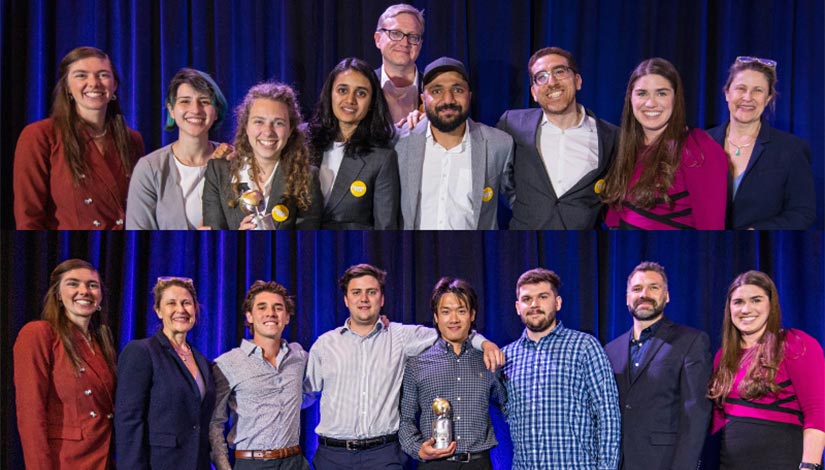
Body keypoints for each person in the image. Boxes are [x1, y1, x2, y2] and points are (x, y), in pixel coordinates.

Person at [306, 263, 504, 470]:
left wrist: (484, 343)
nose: (364, 299)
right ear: (346, 299)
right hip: (333, 456)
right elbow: (306, 394)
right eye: (356, 292)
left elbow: (452, 330)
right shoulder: (324, 344)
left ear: (381, 299)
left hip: (383, 456)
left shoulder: (401, 337)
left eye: (371, 292)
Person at [13, 46, 144, 229]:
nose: (94, 83)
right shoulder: (40, 136)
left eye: (103, 75)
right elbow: (29, 218)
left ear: (114, 85)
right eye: (81, 75)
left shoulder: (132, 140)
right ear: (67, 86)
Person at [502, 268, 620, 469]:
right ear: (517, 307)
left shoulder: (584, 346)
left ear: (557, 302)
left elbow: (607, 413)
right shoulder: (506, 357)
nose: (534, 305)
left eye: (543, 297)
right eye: (527, 299)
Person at [708, 270, 825, 470]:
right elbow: (718, 420)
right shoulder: (723, 356)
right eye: (738, 302)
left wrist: (810, 465)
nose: (746, 309)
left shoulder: (796, 344)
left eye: (756, 300)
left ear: (771, 305)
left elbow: (817, 412)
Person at [603, 261, 712, 470]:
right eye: (637, 289)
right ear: (627, 298)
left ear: (667, 296)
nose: (644, 294)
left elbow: (695, 413)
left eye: (654, 287)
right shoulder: (610, 350)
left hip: (664, 462)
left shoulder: (691, 341)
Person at [497, 46, 619, 229]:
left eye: (559, 72)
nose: (551, 82)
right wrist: (523, 205)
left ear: (577, 81)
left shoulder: (612, 137)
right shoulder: (512, 124)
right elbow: (500, 176)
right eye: (541, 77)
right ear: (534, 92)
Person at [13, 259, 117, 469]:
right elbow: (30, 414)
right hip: (65, 461)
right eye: (73, 283)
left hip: (103, 458)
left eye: (92, 285)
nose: (84, 291)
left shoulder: (102, 342)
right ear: (58, 295)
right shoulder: (39, 334)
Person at [602, 58, 728, 229]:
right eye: (642, 93)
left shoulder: (700, 149)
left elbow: (711, 226)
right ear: (630, 98)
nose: (650, 103)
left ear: (676, 98)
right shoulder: (623, 144)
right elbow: (615, 216)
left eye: (661, 93)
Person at [399, 277, 506, 469]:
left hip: (478, 463)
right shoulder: (417, 363)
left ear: (472, 315)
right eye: (446, 312)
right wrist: (418, 449)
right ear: (436, 316)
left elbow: (507, 405)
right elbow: (405, 420)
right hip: (434, 464)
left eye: (461, 311)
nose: (454, 319)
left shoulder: (488, 359)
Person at [395, 57, 514, 229]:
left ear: (469, 96)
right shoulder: (399, 142)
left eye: (457, 90)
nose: (448, 99)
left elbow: (521, 203)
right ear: (423, 99)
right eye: (436, 91)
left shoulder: (499, 144)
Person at [210, 281, 313, 470]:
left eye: (278, 308)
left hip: (295, 462)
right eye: (262, 307)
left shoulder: (300, 357)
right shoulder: (227, 363)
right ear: (249, 316)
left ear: (287, 317)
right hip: (252, 464)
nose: (271, 314)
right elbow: (215, 423)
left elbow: (313, 391)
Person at [115, 277, 216, 470]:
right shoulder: (141, 351)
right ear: (158, 311)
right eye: (171, 303)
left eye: (186, 303)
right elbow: (128, 421)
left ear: (195, 309)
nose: (181, 309)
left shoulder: (202, 361)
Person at [706, 56, 816, 229]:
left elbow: (802, 213)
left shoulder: (792, 149)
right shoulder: (699, 143)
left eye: (757, 90)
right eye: (741, 88)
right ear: (727, 93)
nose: (747, 97)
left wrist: (756, 230)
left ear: (768, 98)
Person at [202, 82, 323, 229]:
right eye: (259, 121)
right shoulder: (218, 172)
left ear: (290, 129)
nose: (268, 132)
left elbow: (307, 243)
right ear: (245, 126)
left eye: (278, 123)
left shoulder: (307, 177)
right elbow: (213, 241)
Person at [126, 68, 228, 229]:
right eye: (185, 101)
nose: (195, 109)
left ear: (216, 112)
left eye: (205, 101)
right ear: (171, 110)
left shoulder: (233, 161)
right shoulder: (149, 168)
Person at [308, 57, 400, 229]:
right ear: (330, 94)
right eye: (342, 90)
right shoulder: (301, 140)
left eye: (361, 93)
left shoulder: (381, 158)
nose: (350, 100)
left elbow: (385, 227)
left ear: (372, 102)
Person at [373, 3, 425, 125]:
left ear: (420, 45)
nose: (404, 43)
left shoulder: (434, 90)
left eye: (413, 36)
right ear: (378, 39)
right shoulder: (363, 87)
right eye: (396, 33)